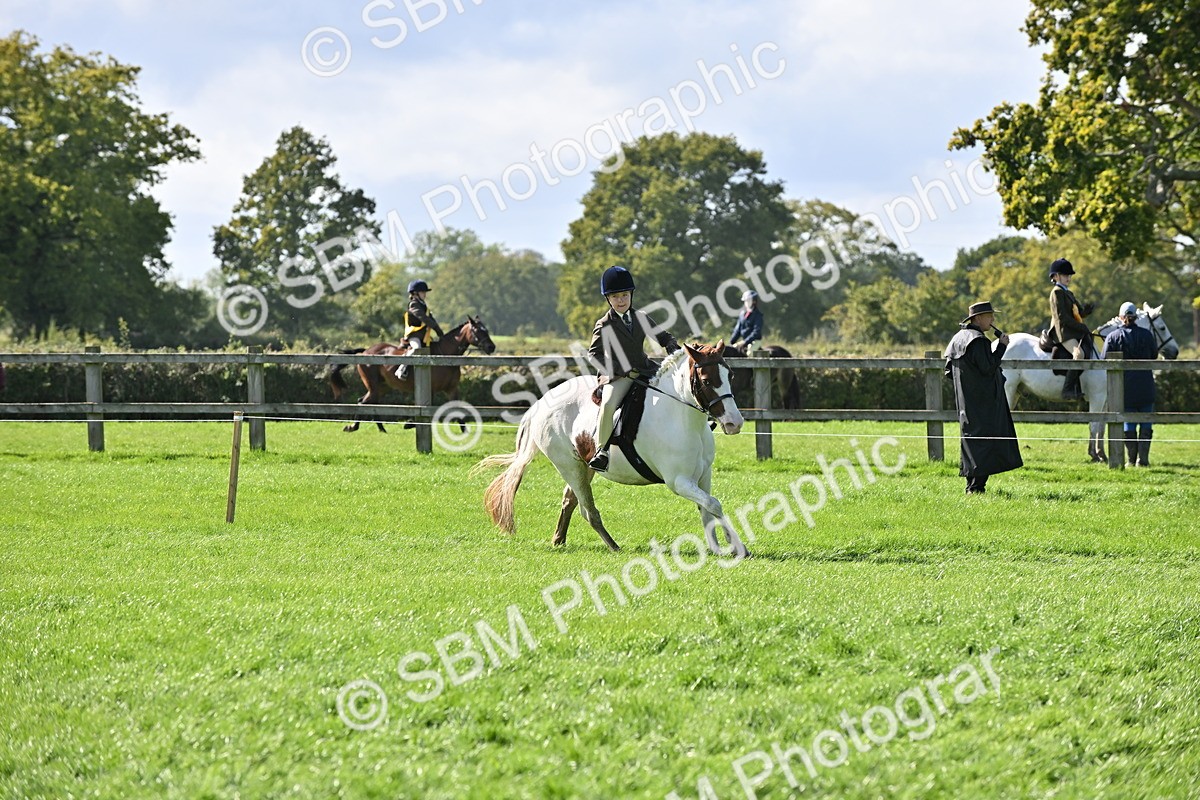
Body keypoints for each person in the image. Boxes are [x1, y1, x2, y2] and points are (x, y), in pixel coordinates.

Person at [586, 265, 680, 472]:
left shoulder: (641, 317)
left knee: (676, 386)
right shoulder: (604, 325)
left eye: (625, 295)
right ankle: (602, 451)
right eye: (616, 297)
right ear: (608, 299)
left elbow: (662, 336)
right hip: (618, 375)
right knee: (608, 405)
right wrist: (616, 370)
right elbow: (593, 354)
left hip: (645, 369)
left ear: (631, 295)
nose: (621, 300)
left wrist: (671, 344)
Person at [943, 301, 1024, 494]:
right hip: (984, 401)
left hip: (966, 401)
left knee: (972, 441)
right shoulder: (979, 340)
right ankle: (976, 488)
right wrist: (1002, 347)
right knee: (985, 441)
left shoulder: (957, 339)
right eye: (989, 316)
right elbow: (988, 368)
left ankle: (972, 486)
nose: (993, 319)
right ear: (977, 319)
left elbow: (949, 372)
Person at [1103, 301, 1157, 467]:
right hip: (1146, 387)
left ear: (1121, 317)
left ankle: (1131, 460)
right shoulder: (1147, 335)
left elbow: (1104, 359)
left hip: (1124, 388)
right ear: (1136, 317)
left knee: (1128, 423)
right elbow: (1154, 355)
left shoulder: (1113, 337)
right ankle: (1144, 460)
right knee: (1146, 422)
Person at [1048, 258, 1096, 399]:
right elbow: (1063, 318)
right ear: (1056, 276)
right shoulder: (1056, 292)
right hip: (1062, 332)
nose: (1068, 278)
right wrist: (1082, 327)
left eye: (1069, 275)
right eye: (1065, 275)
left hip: (1071, 330)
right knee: (1079, 355)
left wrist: (1086, 311)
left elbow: (1077, 314)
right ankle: (1067, 389)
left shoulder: (1068, 292)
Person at [396, 279, 444, 381]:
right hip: (414, 336)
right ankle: (401, 369)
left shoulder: (423, 306)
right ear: (415, 293)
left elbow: (431, 319)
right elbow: (424, 318)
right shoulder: (413, 304)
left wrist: (440, 333)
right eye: (423, 292)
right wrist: (435, 327)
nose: (425, 294)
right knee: (416, 348)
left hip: (424, 336)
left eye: (425, 292)